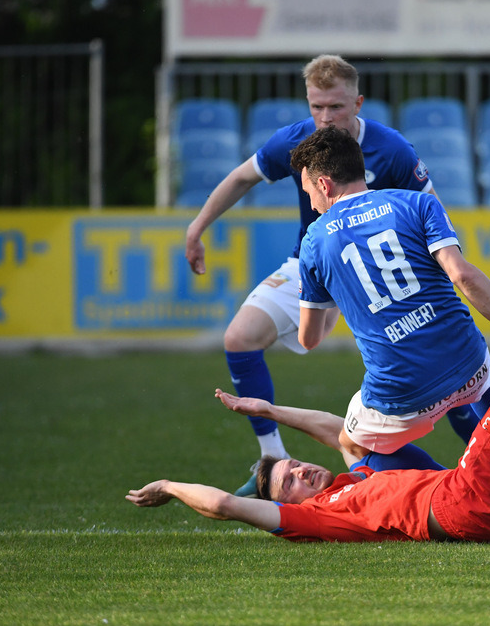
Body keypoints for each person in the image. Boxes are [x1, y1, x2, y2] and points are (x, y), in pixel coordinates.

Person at [126, 211, 490, 541]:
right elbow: (230, 508)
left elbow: (337, 431)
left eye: (293, 467)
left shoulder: (350, 475)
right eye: (290, 481)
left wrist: (273, 412)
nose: (302, 473)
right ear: (285, 507)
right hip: (467, 505)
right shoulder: (314, 518)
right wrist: (173, 487)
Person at [184, 55, 473, 494]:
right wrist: (197, 226)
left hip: (385, 275)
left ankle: (487, 458)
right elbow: (243, 177)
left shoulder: (392, 150)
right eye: (316, 107)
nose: (325, 118)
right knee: (238, 339)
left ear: (357, 103)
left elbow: (432, 218)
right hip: (316, 265)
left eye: (335, 107)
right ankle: (272, 455)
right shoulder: (300, 142)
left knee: (441, 367)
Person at [289, 126, 490, 466]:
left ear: (324, 185)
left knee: (351, 445)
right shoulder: (418, 202)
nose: (313, 207)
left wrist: (338, 298)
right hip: (468, 363)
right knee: (478, 379)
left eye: (309, 194)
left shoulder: (314, 240)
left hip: (400, 391)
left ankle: (443, 487)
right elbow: (463, 275)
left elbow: (310, 338)